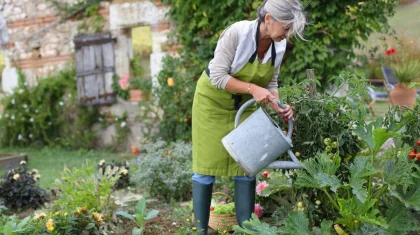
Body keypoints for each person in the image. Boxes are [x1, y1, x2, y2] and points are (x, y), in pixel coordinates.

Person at [191, 0, 306, 233]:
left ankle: (247, 229)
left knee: (247, 165)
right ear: (268, 19)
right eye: (286, 27)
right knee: (205, 168)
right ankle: (200, 230)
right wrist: (253, 89)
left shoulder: (279, 46)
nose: (288, 34)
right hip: (211, 104)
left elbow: (271, 82)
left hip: (245, 106)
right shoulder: (236, 33)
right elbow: (218, 76)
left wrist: (278, 105)